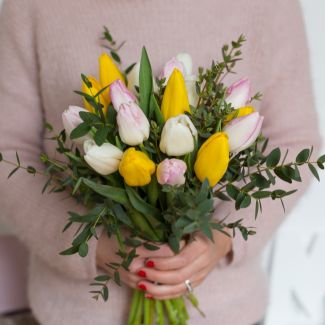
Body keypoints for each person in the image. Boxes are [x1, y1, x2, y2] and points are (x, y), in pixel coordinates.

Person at [0, 0, 321, 324]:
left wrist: (221, 238)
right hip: (76, 312)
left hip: (225, 312)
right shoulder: (33, 5)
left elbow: (295, 143)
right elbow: (8, 150)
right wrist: (95, 244)